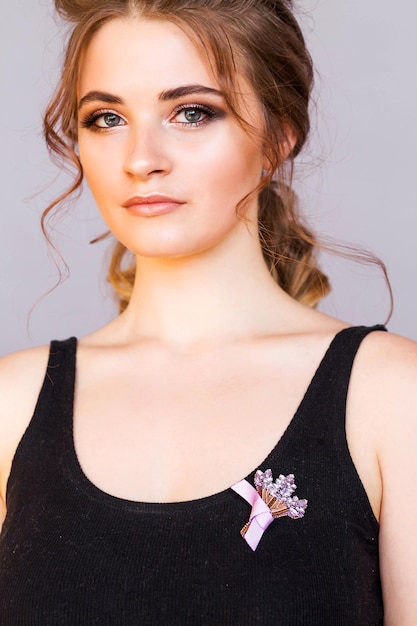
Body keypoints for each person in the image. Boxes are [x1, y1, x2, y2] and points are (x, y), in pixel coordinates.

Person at [0, 0, 416, 623]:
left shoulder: (391, 397)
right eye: (106, 117)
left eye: (192, 112)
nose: (141, 158)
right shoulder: (11, 403)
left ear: (279, 134)